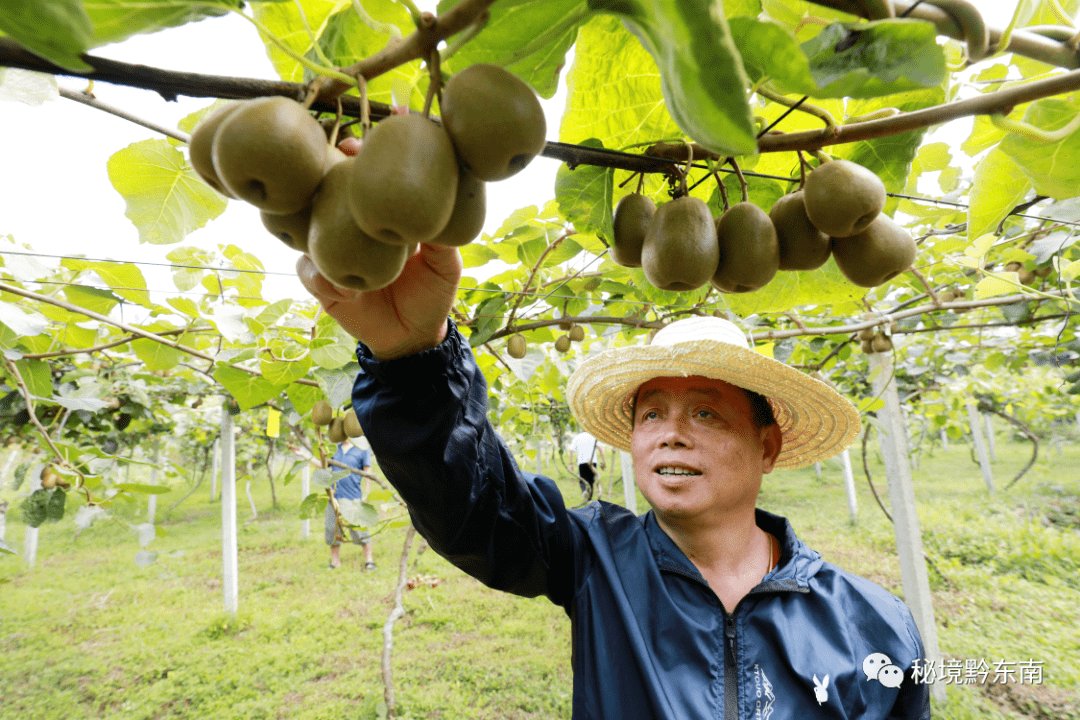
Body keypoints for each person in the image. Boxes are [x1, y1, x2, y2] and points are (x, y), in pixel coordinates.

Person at [297, 245, 930, 719]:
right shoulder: (592, 556)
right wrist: (413, 362)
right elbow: (473, 507)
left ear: (766, 445)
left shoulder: (875, 626)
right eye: (651, 413)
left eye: (705, 412)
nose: (668, 434)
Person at [326, 440, 376, 571]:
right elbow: (323, 466)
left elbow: (368, 472)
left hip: (353, 497)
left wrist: (367, 492)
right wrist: (304, 456)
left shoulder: (362, 448)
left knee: (360, 529)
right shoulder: (334, 448)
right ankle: (335, 561)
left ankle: (369, 559)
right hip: (335, 498)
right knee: (332, 529)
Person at [568, 429, 605, 501]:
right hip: (592, 462)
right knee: (591, 480)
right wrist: (603, 461)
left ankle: (584, 490)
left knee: (582, 479)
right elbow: (600, 449)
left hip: (582, 462)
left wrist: (571, 463)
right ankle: (589, 499)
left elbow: (571, 450)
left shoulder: (577, 437)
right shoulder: (593, 436)